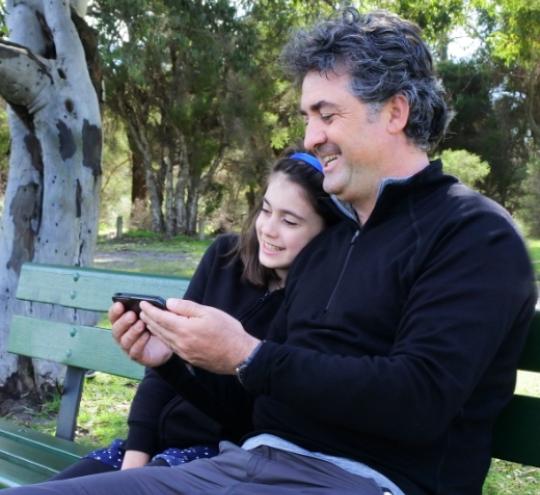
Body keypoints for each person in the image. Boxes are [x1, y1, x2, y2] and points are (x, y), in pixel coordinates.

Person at [4, 8, 537, 495]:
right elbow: (257, 409)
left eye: (327, 115)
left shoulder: (473, 234)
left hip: (369, 483)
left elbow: (420, 401)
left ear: (394, 111)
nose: (311, 137)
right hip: (248, 465)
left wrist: (248, 354)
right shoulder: (331, 246)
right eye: (308, 117)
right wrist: (174, 364)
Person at [49, 149, 338, 479]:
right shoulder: (224, 259)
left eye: (289, 221)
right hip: (149, 444)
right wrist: (135, 454)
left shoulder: (317, 307)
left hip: (217, 459)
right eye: (266, 210)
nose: (268, 230)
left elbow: (251, 420)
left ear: (326, 232)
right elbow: (159, 372)